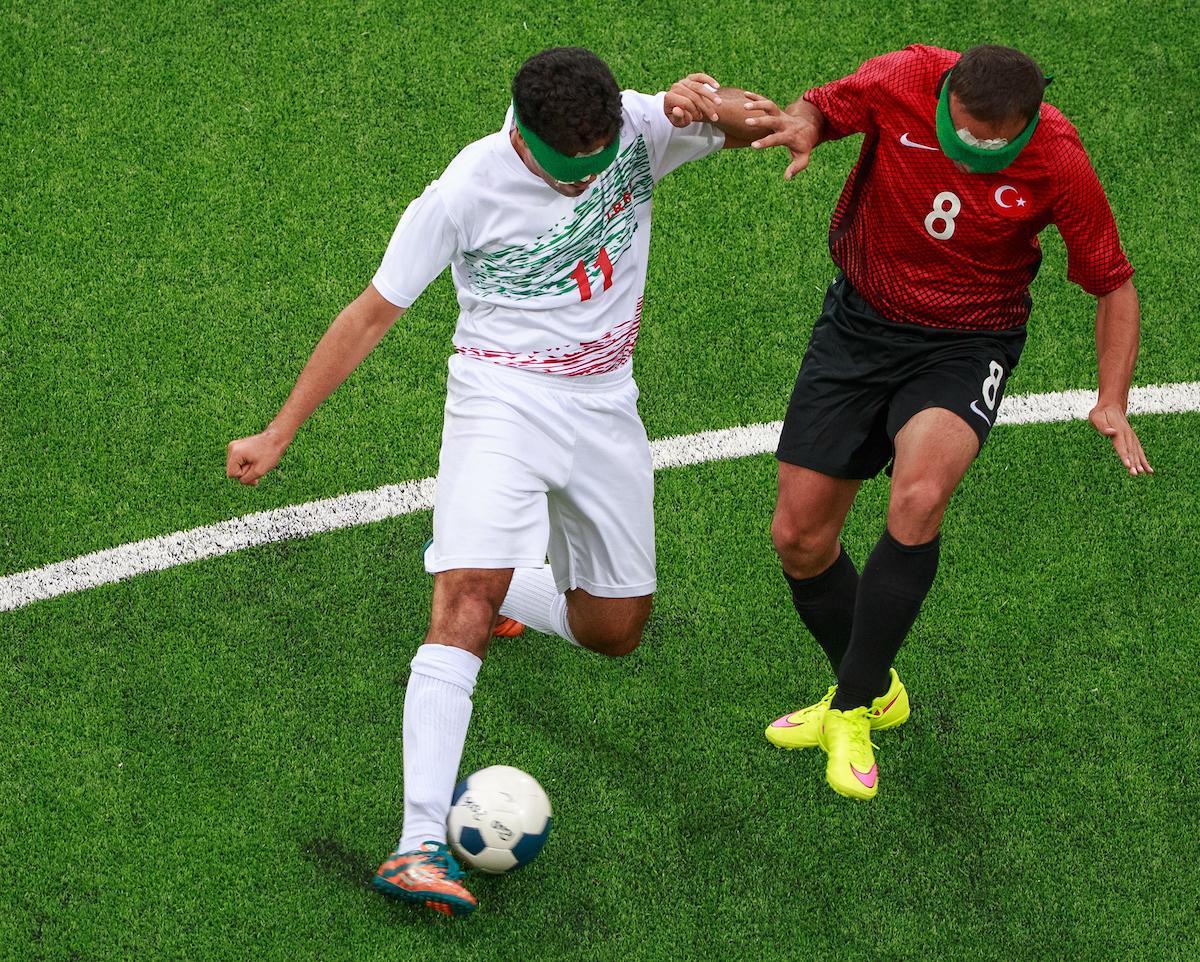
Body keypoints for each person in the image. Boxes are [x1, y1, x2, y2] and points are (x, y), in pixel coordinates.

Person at [226, 47, 755, 914]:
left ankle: (518, 592)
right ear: (528, 142)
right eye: (571, 168)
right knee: (463, 596)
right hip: (500, 400)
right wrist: (280, 430)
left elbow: (752, 124)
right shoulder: (467, 188)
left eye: (602, 158)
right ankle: (417, 843)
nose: (591, 179)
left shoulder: (631, 126)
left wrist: (712, 105)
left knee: (615, 630)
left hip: (605, 408)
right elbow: (369, 315)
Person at [743, 44, 1151, 800]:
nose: (978, 151)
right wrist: (801, 125)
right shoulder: (903, 79)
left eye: (998, 140)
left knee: (918, 498)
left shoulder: (1059, 157)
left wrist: (1111, 396)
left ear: (1030, 117)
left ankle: (852, 706)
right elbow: (823, 106)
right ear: (946, 95)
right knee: (799, 540)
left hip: (968, 344)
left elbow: (1112, 281)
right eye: (965, 131)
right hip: (858, 326)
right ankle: (875, 690)